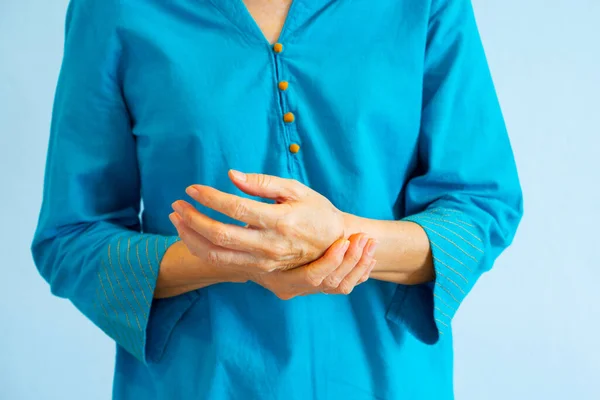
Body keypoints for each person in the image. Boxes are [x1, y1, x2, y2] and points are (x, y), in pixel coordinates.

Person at [31, 0, 523, 398]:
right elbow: (70, 237)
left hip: (388, 380)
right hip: (199, 382)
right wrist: (235, 260)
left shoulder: (426, 5)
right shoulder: (112, 9)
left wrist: (339, 239)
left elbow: (480, 206)